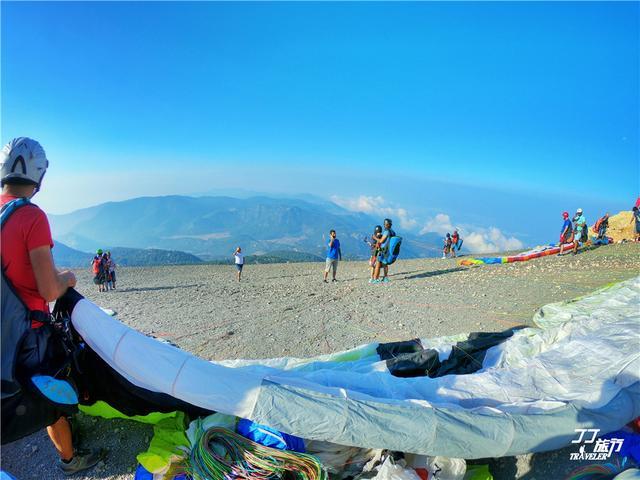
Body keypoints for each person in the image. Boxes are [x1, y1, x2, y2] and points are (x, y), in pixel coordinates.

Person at [0, 137, 102, 474]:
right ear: (39, 175)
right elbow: (48, 289)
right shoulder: (31, 217)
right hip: (28, 332)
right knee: (51, 395)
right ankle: (70, 459)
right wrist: (68, 278)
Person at [371, 219, 395, 283]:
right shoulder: (393, 232)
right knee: (385, 264)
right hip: (389, 251)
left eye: (384, 224)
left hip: (384, 250)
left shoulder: (386, 231)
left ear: (386, 224)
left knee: (378, 263)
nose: (384, 225)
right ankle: (385, 278)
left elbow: (381, 241)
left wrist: (374, 237)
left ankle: (375, 279)